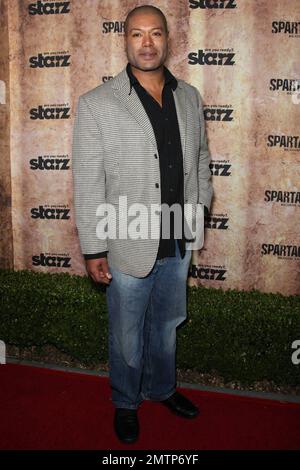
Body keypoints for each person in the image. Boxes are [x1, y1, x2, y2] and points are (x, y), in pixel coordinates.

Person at [72, 5, 213, 444]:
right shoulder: (97, 104)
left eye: (155, 34)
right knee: (127, 332)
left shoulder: (189, 96)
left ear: (168, 40)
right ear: (125, 40)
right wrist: (94, 248)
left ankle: (161, 389)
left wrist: (200, 207)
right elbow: (88, 181)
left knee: (168, 323)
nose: (147, 43)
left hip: (178, 236)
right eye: (137, 34)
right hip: (126, 237)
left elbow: (203, 159)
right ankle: (125, 402)